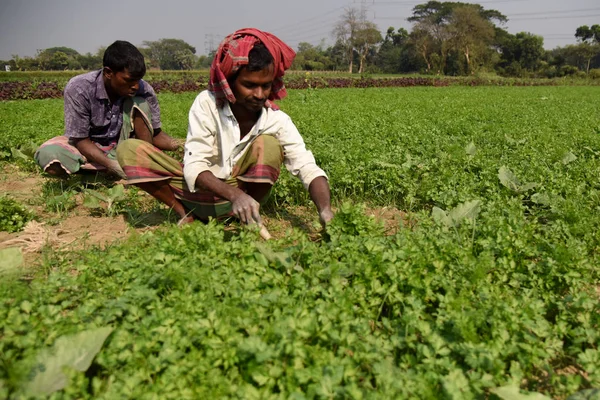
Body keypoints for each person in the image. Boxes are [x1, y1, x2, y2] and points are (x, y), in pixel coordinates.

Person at [116, 28, 334, 228]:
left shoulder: (276, 120)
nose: (259, 94)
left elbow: (306, 166)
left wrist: (325, 210)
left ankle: (245, 216)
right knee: (129, 149)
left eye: (265, 85)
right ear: (229, 82)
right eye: (249, 85)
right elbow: (194, 166)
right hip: (196, 193)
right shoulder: (208, 104)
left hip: (243, 197)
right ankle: (185, 214)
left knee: (269, 144)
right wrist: (233, 195)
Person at [34, 40, 180, 179]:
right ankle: (105, 171)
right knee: (49, 156)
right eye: (129, 80)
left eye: (138, 80)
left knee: (140, 103)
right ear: (108, 73)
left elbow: (155, 133)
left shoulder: (144, 89)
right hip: (87, 147)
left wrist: (181, 145)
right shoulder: (79, 88)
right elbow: (80, 140)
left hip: (124, 148)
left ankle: (142, 163)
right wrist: (111, 165)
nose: (135, 86)